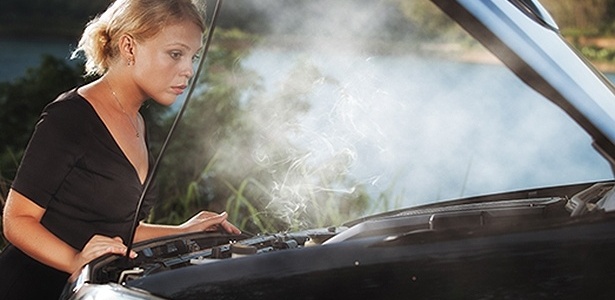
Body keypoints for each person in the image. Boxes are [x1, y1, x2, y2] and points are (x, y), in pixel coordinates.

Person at [0, 0, 241, 298]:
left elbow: (115, 230)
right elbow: (17, 221)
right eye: (176, 54)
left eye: (193, 57)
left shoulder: (137, 122)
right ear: (129, 47)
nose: (189, 71)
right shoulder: (71, 117)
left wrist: (184, 229)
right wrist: (74, 262)